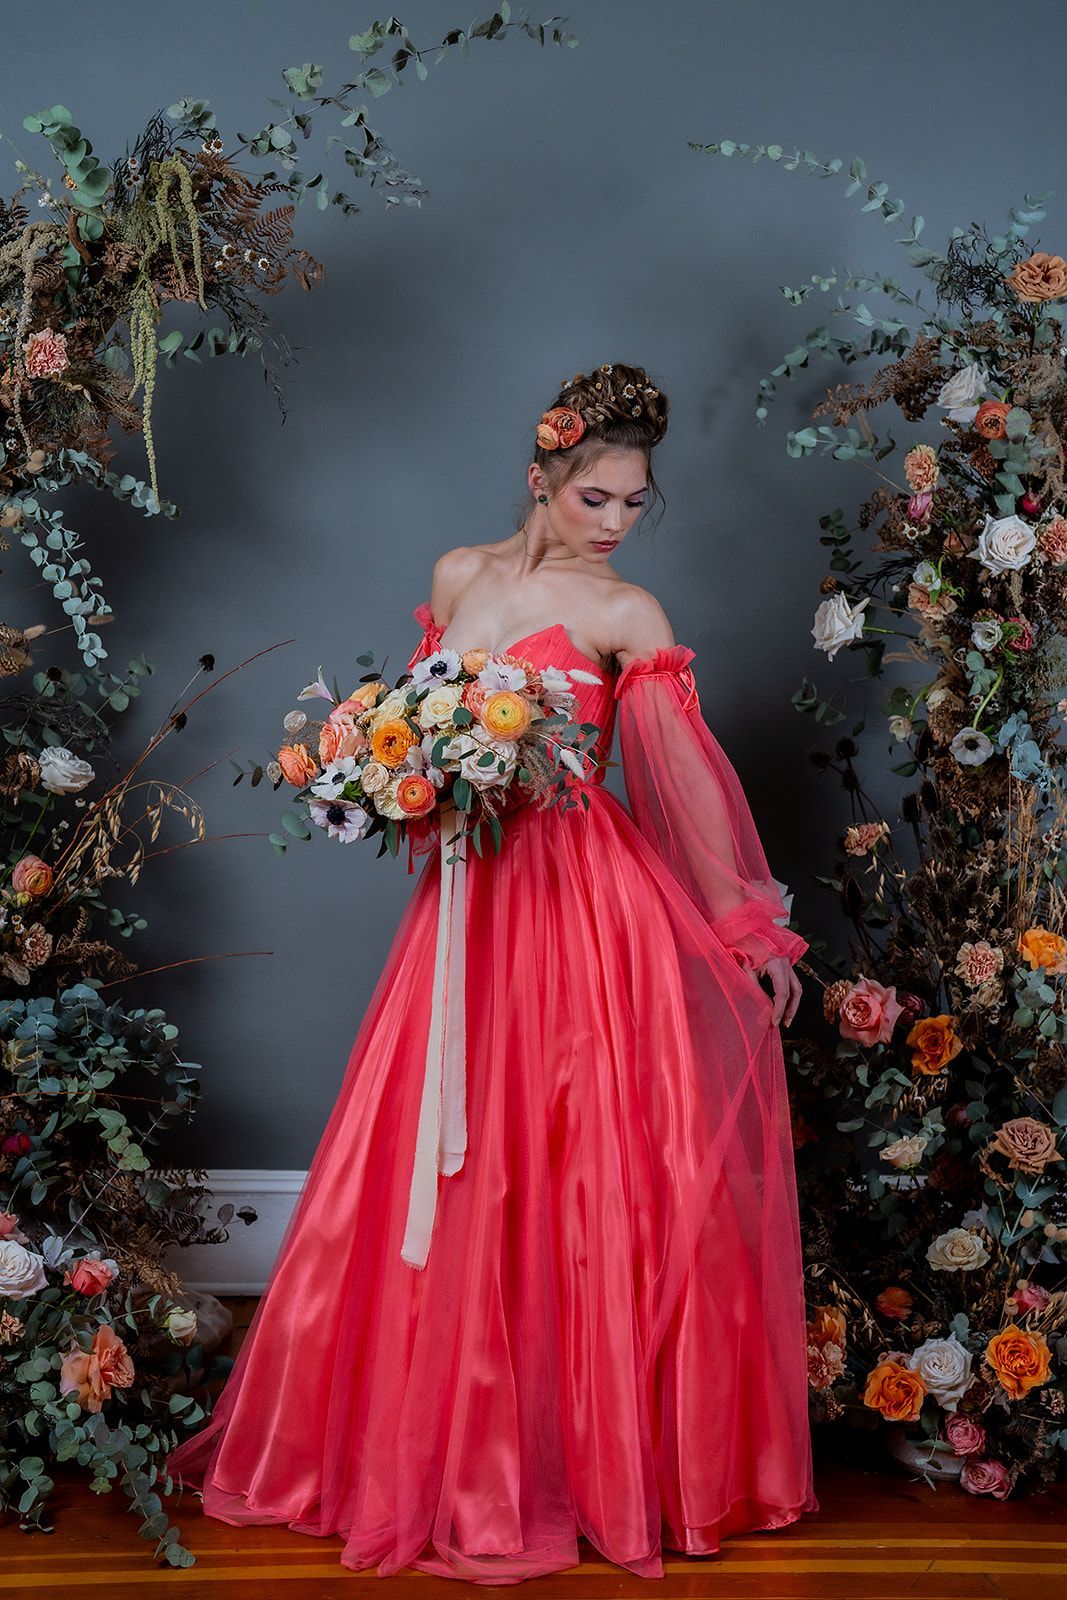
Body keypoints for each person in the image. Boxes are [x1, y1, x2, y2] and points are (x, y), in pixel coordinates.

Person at [163, 362, 819, 1582]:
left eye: (633, 503)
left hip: (584, 904)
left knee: (579, 1158)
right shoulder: (457, 576)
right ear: (539, 479)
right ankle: (453, 1450)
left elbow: (680, 788)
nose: (614, 523)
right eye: (593, 498)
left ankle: (598, 1462)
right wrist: (389, 781)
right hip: (468, 903)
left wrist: (745, 930)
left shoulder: (629, 614)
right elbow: (418, 739)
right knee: (444, 1156)